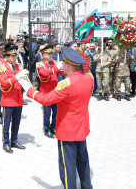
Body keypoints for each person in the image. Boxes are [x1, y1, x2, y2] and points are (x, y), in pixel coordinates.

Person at [20, 47, 93, 189]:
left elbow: (46, 99)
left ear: (68, 65)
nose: (62, 66)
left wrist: (29, 89)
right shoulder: (88, 78)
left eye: (63, 64)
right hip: (82, 127)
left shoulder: (66, 83)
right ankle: (86, 186)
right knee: (83, 161)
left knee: (67, 166)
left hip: (67, 130)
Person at [0, 45, 28, 153]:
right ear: (7, 57)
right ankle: (6, 143)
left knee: (16, 122)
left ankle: (14, 140)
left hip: (18, 98)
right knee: (6, 124)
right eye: (13, 56)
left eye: (16, 56)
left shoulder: (17, 66)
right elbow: (4, 83)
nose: (15, 58)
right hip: (8, 99)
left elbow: (21, 80)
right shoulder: (2, 67)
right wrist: (17, 77)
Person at [36, 45, 64, 138]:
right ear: (43, 54)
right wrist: (56, 68)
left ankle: (53, 127)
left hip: (55, 91)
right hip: (46, 93)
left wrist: (62, 67)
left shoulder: (54, 62)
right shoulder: (40, 64)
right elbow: (44, 74)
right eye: (48, 53)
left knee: (56, 112)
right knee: (47, 113)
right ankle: (47, 129)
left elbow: (61, 73)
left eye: (51, 53)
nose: (51, 55)